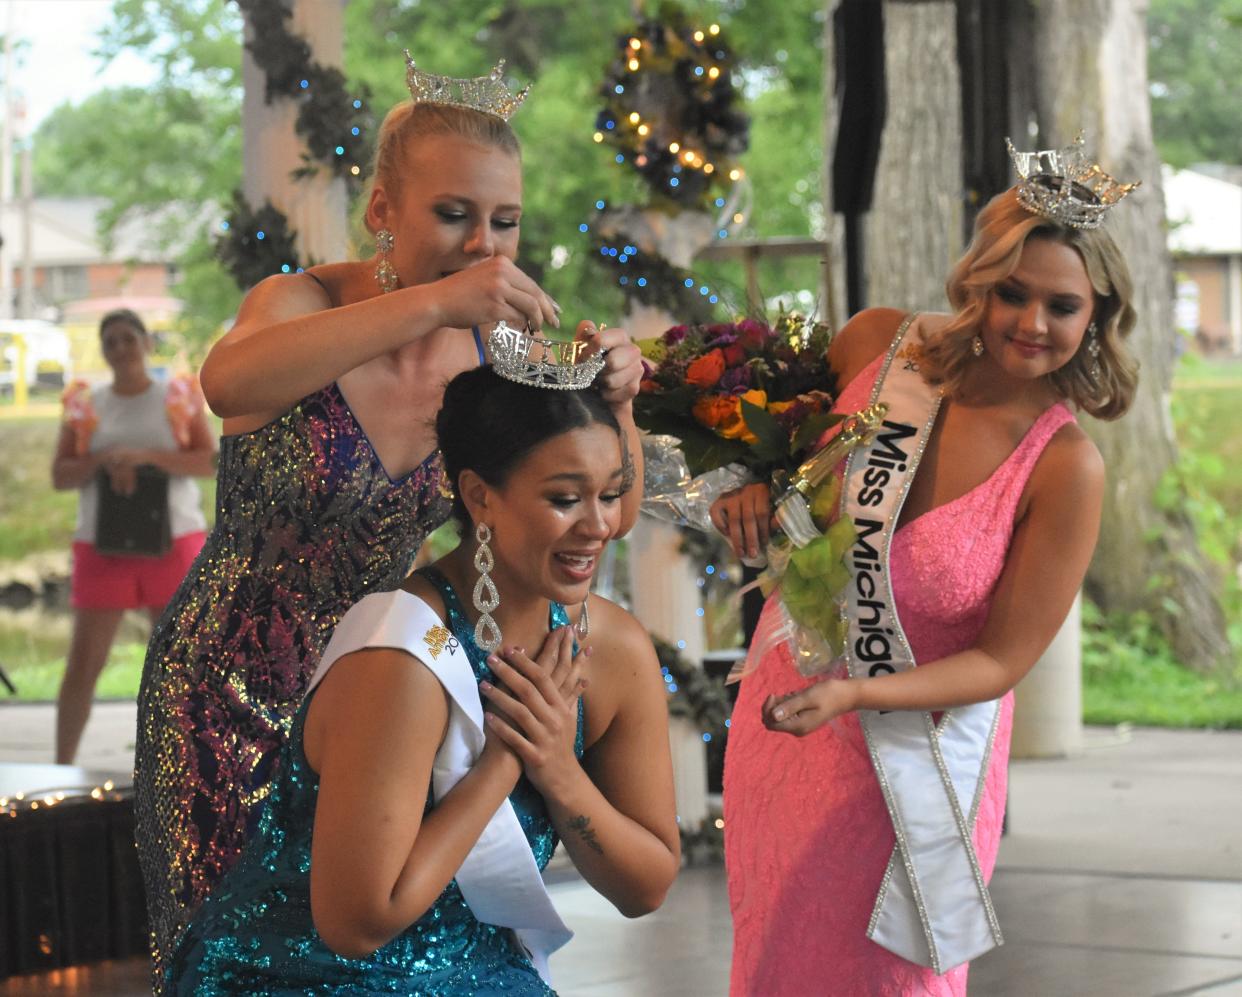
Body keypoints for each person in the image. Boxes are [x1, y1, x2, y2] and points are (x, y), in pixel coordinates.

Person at [134, 59, 646, 985]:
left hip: (382, 697)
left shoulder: (502, 353)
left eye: (504, 222)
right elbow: (226, 384)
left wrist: (621, 401)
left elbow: (593, 511)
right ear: (382, 210)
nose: (482, 246)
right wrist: (439, 302)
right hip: (222, 693)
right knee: (226, 956)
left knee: (372, 958)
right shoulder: (303, 304)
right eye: (453, 215)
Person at [713, 162, 1138, 994]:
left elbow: (1001, 661)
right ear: (979, 280)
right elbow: (771, 463)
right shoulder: (877, 344)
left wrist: (856, 695)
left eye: (1063, 305)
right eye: (1014, 292)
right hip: (786, 724)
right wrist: (748, 492)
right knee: (773, 966)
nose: (1033, 323)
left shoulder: (1064, 465)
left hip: (914, 771)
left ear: (1097, 317)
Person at [167, 364, 679, 994]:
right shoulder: (401, 654)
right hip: (310, 977)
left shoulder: (612, 649)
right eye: (565, 499)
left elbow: (648, 886)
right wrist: (504, 763)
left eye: (609, 493)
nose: (598, 525)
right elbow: (357, 923)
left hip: (485, 972)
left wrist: (559, 769)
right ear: (480, 494)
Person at [51, 309, 215, 765]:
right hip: (103, 543)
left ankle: (184, 766)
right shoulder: (87, 405)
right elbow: (60, 475)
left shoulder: (176, 398)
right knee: (85, 661)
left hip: (174, 539)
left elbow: (210, 462)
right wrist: (104, 462)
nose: (120, 349)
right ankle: (61, 766)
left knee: (177, 662)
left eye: (128, 338)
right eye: (111, 342)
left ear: (146, 343)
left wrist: (144, 457)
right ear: (103, 351)